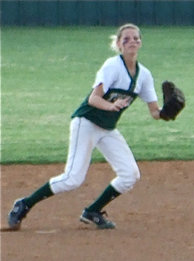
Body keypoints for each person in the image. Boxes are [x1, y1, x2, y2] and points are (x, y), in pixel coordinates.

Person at [7, 23, 168, 232]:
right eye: (126, 39)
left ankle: (92, 212)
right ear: (118, 44)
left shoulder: (144, 75)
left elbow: (155, 112)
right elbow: (93, 99)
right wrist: (111, 105)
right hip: (86, 123)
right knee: (72, 178)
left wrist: (167, 113)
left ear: (141, 43)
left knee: (130, 174)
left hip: (107, 129)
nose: (132, 42)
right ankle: (25, 204)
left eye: (136, 38)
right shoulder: (112, 66)